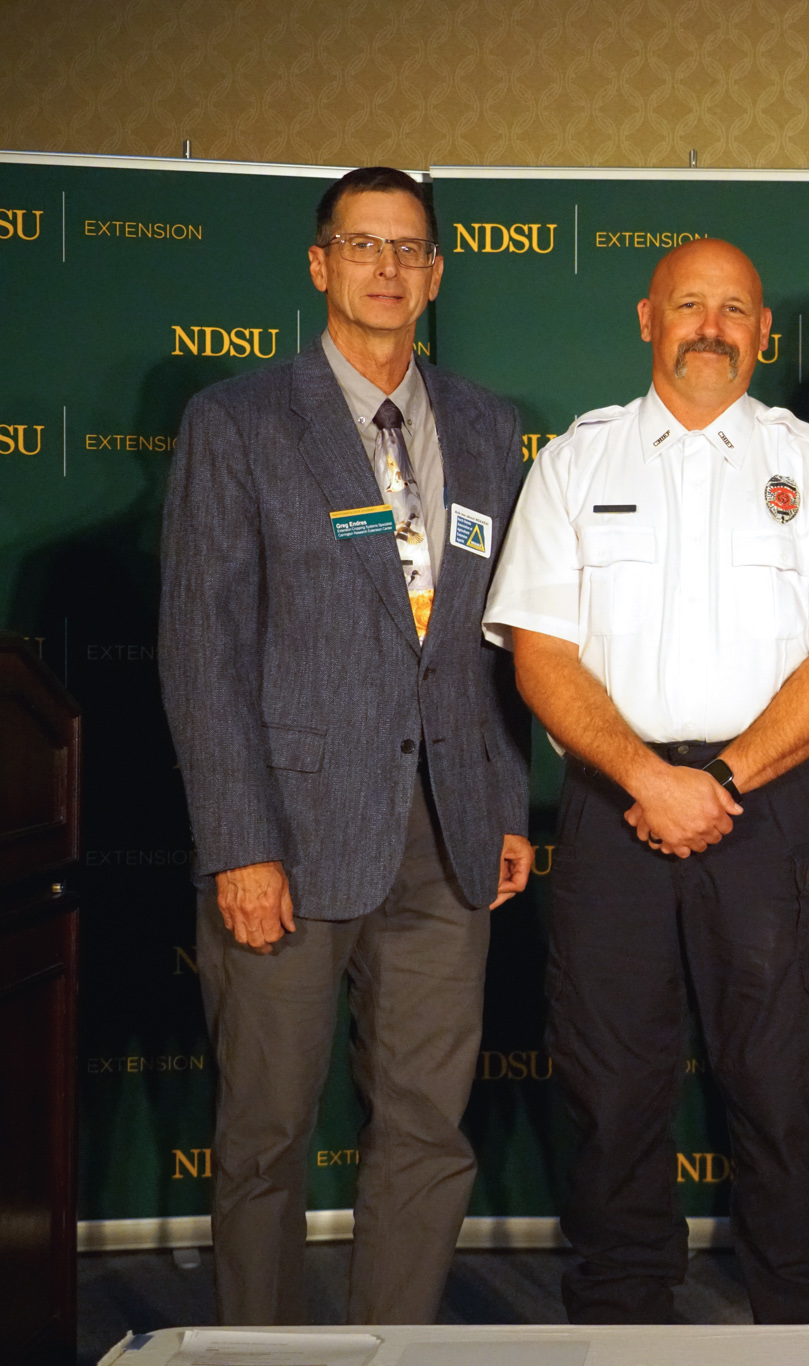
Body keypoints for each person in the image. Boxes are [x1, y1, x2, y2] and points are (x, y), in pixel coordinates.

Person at [483, 238, 809, 1325]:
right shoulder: (575, 462)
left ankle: (804, 1317)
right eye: (688, 305)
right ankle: (620, 1309)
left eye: (732, 309)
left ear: (763, 331)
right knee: (612, 1085)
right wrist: (643, 775)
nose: (709, 326)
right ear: (646, 319)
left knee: (780, 1085)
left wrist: (714, 778)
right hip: (609, 807)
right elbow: (539, 650)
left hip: (763, 809)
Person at [158, 166, 534, 1325]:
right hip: (291, 837)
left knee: (425, 1131)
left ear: (435, 272)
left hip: (449, 839)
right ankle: (255, 1354)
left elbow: (504, 637)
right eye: (363, 246)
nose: (387, 269)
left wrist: (508, 804)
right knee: (266, 1132)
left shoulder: (485, 423)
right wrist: (238, 844)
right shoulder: (238, 419)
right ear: (321, 264)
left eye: (409, 249)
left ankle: (396, 1349)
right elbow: (202, 648)